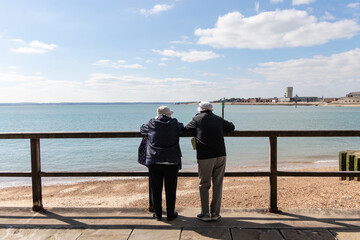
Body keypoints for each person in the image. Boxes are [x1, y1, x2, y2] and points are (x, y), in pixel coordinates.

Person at [185, 101, 235, 222]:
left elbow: (186, 129)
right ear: (211, 110)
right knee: (218, 184)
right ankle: (216, 213)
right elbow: (231, 127)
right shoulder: (218, 119)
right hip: (221, 154)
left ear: (200, 110)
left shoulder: (197, 119)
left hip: (205, 156)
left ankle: (205, 213)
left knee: (204, 184)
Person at [140, 106, 184, 221]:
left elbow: (142, 129)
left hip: (154, 159)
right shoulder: (174, 123)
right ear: (169, 114)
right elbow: (182, 128)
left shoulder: (151, 123)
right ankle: (170, 213)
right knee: (170, 188)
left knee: (156, 188)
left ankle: (158, 213)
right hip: (172, 160)